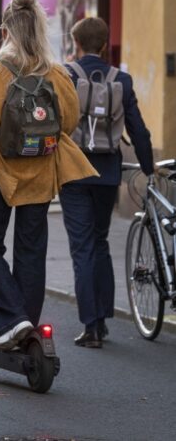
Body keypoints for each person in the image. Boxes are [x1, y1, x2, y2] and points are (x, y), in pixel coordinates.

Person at [0, 0, 97, 351]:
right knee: (31, 250)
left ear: (5, 33)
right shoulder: (57, 74)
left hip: (1, 169)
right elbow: (71, 121)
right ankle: (27, 324)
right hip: (42, 172)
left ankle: (12, 320)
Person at [59, 18, 154, 348]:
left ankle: (91, 326)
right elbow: (139, 131)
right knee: (99, 241)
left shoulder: (66, 76)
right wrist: (149, 169)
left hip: (73, 172)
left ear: (77, 44)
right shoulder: (122, 81)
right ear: (104, 45)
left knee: (81, 246)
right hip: (107, 173)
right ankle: (103, 318)